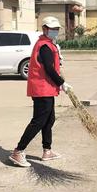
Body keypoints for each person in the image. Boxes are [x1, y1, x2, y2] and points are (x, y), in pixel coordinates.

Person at [9, 16, 71, 168]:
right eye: (52, 29)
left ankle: (47, 150)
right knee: (38, 121)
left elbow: (53, 65)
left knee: (49, 120)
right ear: (44, 29)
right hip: (41, 88)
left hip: (47, 88)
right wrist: (62, 83)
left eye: (57, 29)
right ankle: (18, 151)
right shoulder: (44, 46)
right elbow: (49, 69)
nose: (55, 31)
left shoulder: (49, 44)